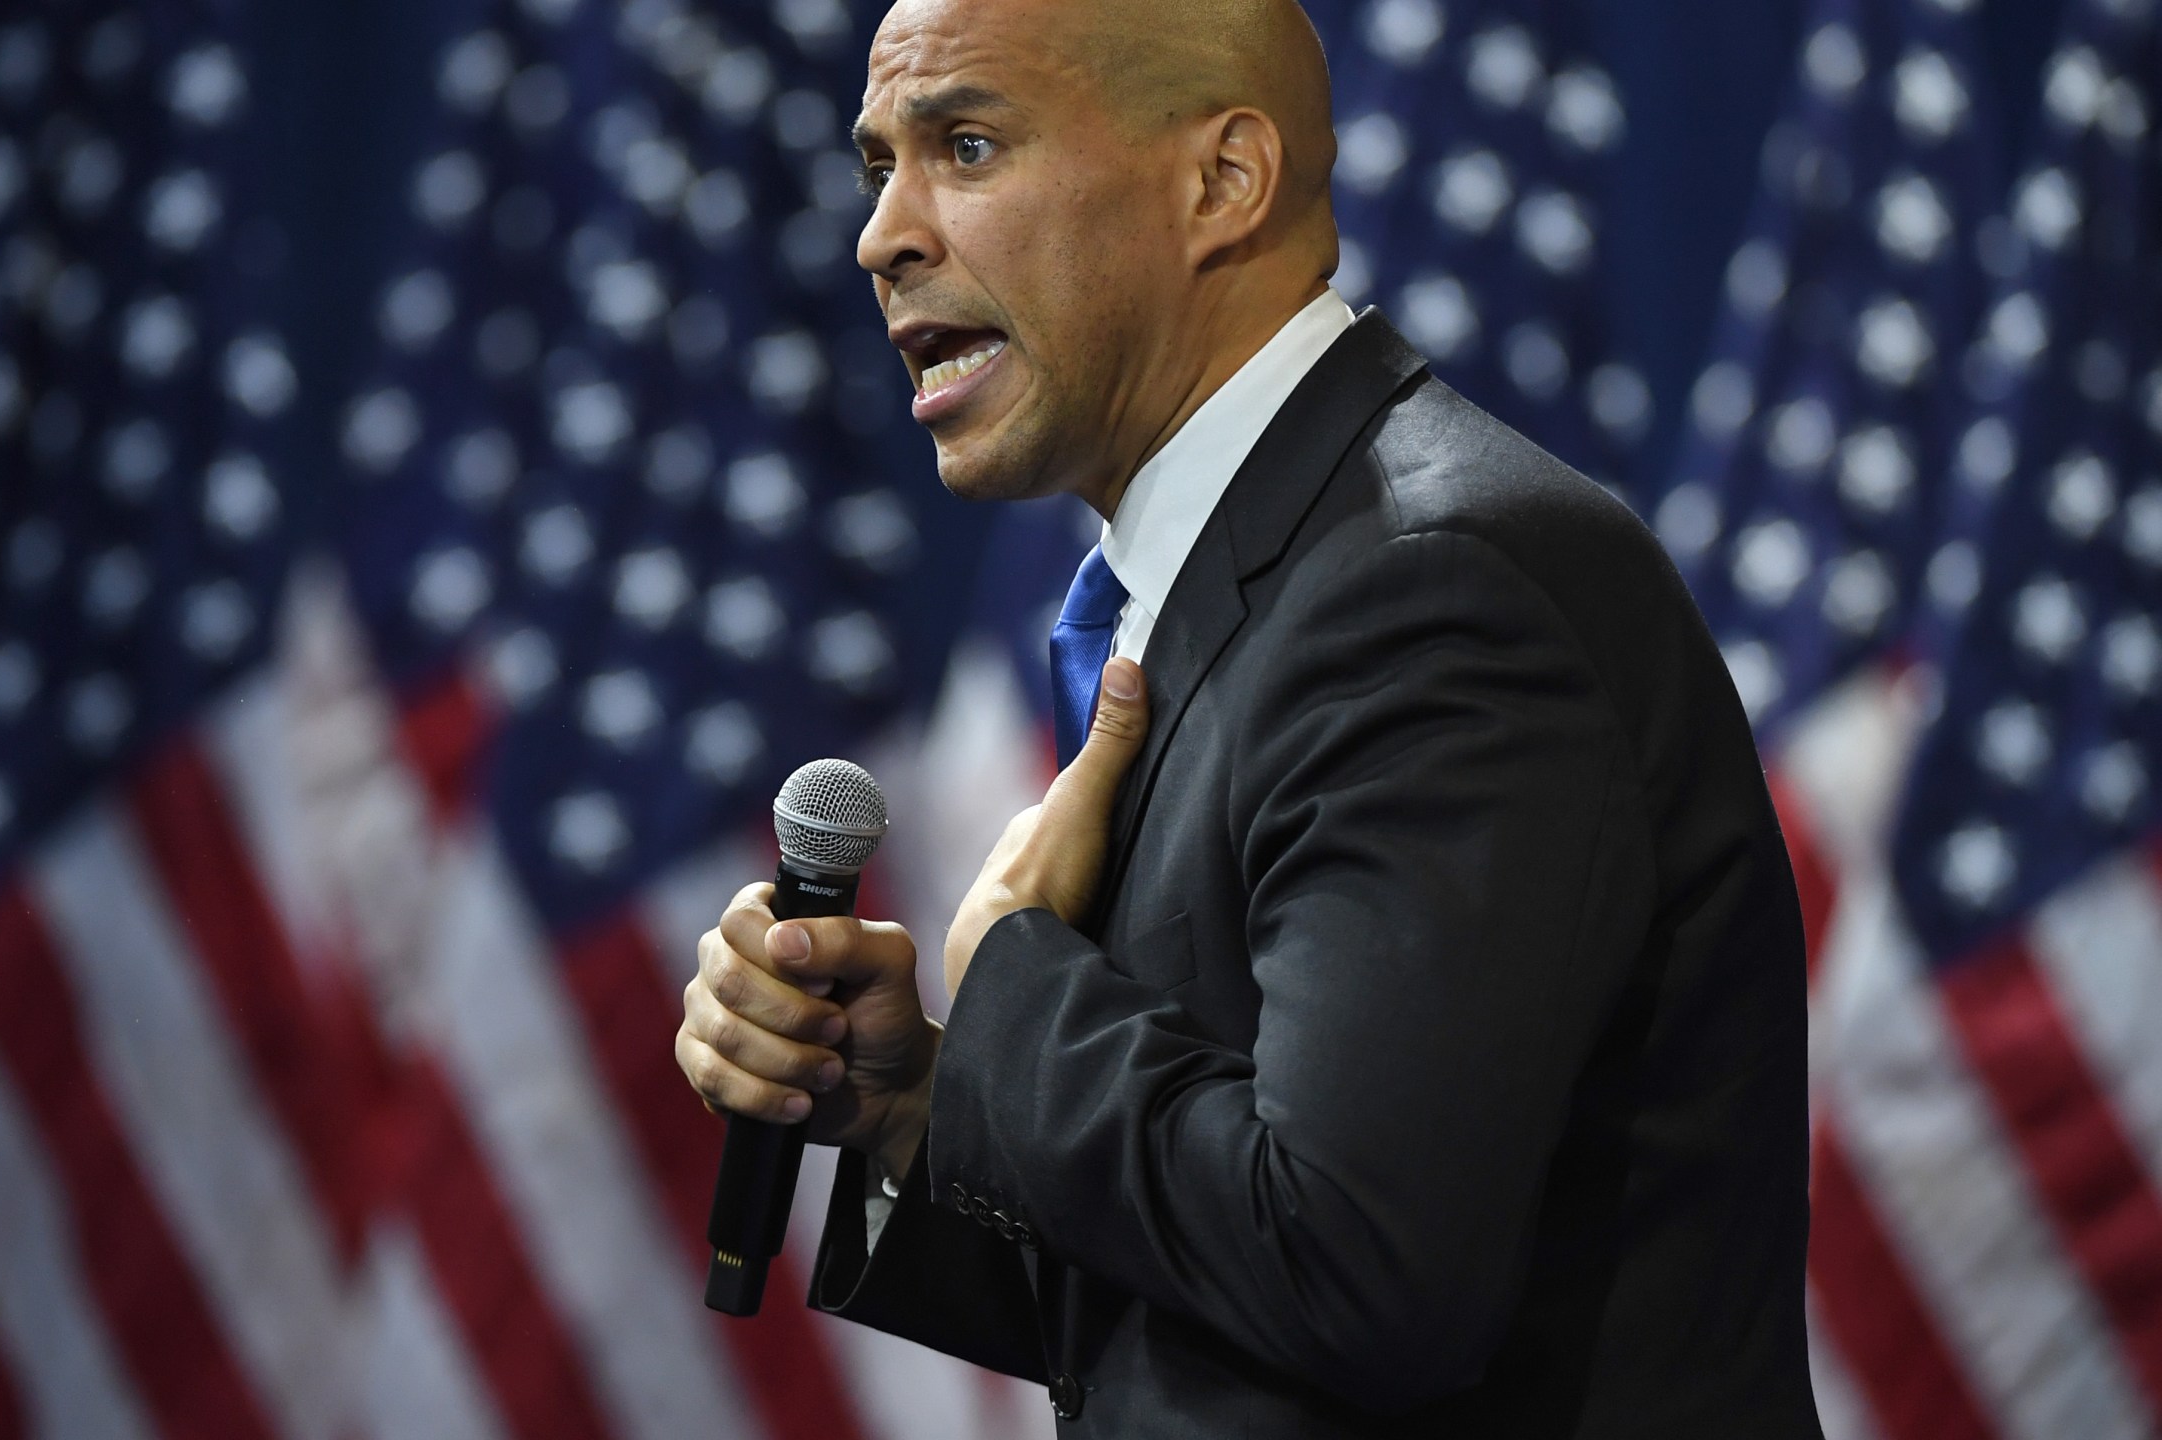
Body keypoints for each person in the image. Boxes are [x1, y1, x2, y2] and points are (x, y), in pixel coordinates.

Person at [673, 0, 1824, 1432]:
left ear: (1223, 182)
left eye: (966, 145)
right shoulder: (1235, 586)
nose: (882, 235)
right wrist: (918, 1103)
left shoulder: (1434, 595)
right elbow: (1212, 1323)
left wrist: (1015, 985)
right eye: (877, 166)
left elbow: (1363, 1274)